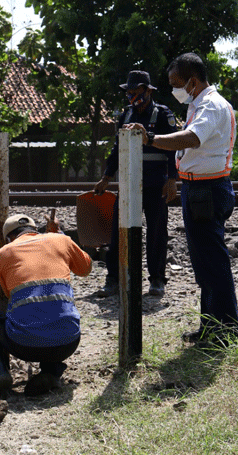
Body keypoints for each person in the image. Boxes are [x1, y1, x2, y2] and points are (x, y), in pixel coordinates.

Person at [123, 52, 238, 348]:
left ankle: (225, 331)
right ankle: (211, 327)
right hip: (197, 188)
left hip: (207, 189)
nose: (175, 89)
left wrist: (151, 139)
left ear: (192, 80)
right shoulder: (199, 104)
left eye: (177, 83)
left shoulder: (211, 106)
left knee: (213, 264)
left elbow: (191, 138)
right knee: (205, 264)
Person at [0, 213, 92, 396]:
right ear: (35, 230)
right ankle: (51, 372)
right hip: (68, 342)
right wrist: (59, 234)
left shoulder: (1, 255)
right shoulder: (61, 240)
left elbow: (8, 296)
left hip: (25, 347)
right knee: (56, 312)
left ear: (8, 238)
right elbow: (86, 268)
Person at [94, 70, 178, 298]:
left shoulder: (162, 115)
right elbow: (116, 149)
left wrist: (172, 180)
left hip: (156, 184)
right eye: (129, 91)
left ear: (148, 91)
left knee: (157, 233)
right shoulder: (126, 115)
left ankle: (157, 280)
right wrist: (107, 177)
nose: (132, 95)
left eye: (136, 91)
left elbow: (173, 148)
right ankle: (113, 279)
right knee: (118, 232)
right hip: (129, 185)